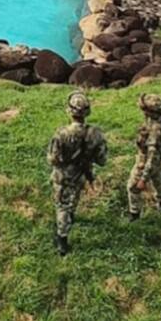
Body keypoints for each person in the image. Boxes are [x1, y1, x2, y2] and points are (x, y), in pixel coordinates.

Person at [46, 91, 108, 256]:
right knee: (73, 199)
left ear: (69, 111)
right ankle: (70, 216)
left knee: (61, 206)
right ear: (87, 112)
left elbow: (53, 159)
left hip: (62, 175)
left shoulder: (61, 134)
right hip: (81, 173)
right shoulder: (95, 134)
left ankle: (62, 240)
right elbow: (102, 160)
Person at [127, 93, 161, 220]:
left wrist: (143, 179)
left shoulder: (155, 133)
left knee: (132, 187)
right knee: (158, 180)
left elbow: (152, 158)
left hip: (147, 160)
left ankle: (134, 213)